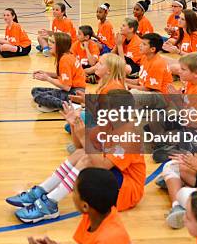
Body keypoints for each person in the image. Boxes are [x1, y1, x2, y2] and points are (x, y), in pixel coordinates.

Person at [9, 90, 146, 223]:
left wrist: (83, 136)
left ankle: (50, 203)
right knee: (82, 153)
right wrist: (74, 125)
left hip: (127, 191)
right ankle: (42, 191)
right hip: (112, 178)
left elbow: (101, 166)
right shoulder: (109, 124)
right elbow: (79, 147)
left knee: (87, 158)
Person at [27, 168, 137, 244]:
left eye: (74, 191)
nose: (71, 194)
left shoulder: (106, 243)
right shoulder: (98, 215)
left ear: (85, 206)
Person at [31, 32, 85, 112]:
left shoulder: (65, 60)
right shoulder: (66, 55)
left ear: (60, 45)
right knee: (35, 90)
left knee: (39, 97)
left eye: (53, 42)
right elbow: (63, 75)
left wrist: (47, 78)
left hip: (75, 93)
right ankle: (57, 104)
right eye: (50, 41)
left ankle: (72, 107)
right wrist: (46, 73)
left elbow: (66, 87)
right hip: (76, 90)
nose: (49, 44)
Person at [163, 10, 197, 76]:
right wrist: (170, 47)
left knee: (171, 67)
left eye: (182, 19)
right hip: (185, 62)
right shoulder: (183, 33)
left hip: (194, 66)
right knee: (161, 59)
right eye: (179, 18)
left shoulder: (195, 36)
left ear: (189, 21)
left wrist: (178, 51)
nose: (179, 20)